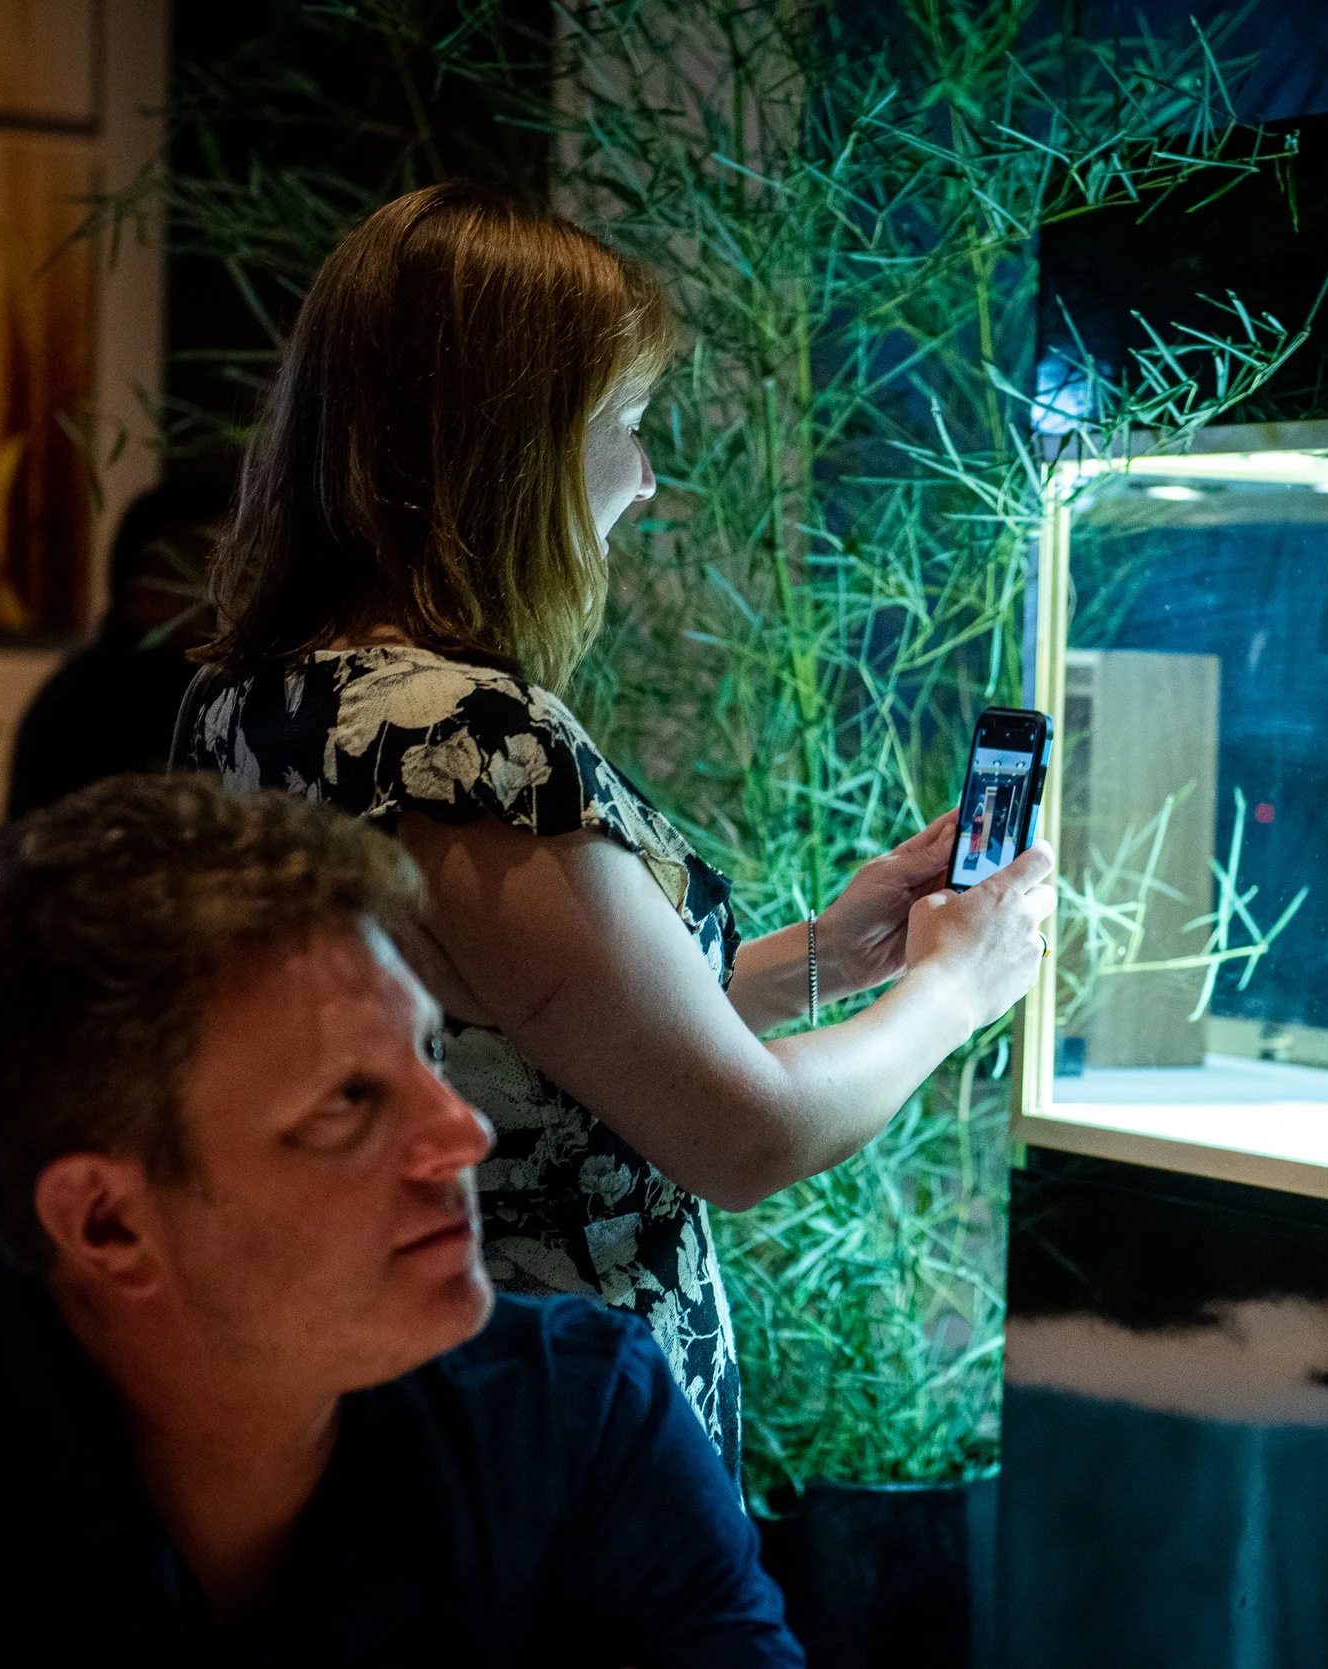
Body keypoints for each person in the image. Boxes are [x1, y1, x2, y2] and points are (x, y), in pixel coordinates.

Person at [181, 183, 1054, 1473]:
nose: (646, 482)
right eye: (628, 426)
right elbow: (743, 1135)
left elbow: (534, 1036)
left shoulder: (259, 697)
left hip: (407, 1402)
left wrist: (835, 949)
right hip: (543, 1437)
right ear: (514, 443)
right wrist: (954, 989)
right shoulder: (466, 740)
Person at [0, 773, 803, 1665]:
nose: (464, 1133)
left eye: (425, 1052)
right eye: (347, 1101)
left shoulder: (575, 1415)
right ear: (106, 1225)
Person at [8, 479, 228, 816]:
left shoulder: (223, 688)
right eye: (208, 566)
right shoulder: (82, 708)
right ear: (146, 588)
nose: (227, 592)